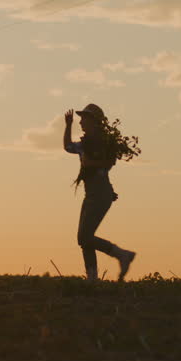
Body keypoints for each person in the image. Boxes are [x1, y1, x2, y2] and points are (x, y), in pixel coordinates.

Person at [64, 103, 136, 282]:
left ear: (94, 122)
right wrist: (68, 125)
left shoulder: (103, 143)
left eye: (84, 119)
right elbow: (68, 147)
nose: (81, 123)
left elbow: (108, 163)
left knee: (84, 236)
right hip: (92, 194)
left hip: (100, 194)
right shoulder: (85, 144)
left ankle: (121, 255)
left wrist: (91, 164)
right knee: (84, 239)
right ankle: (92, 278)